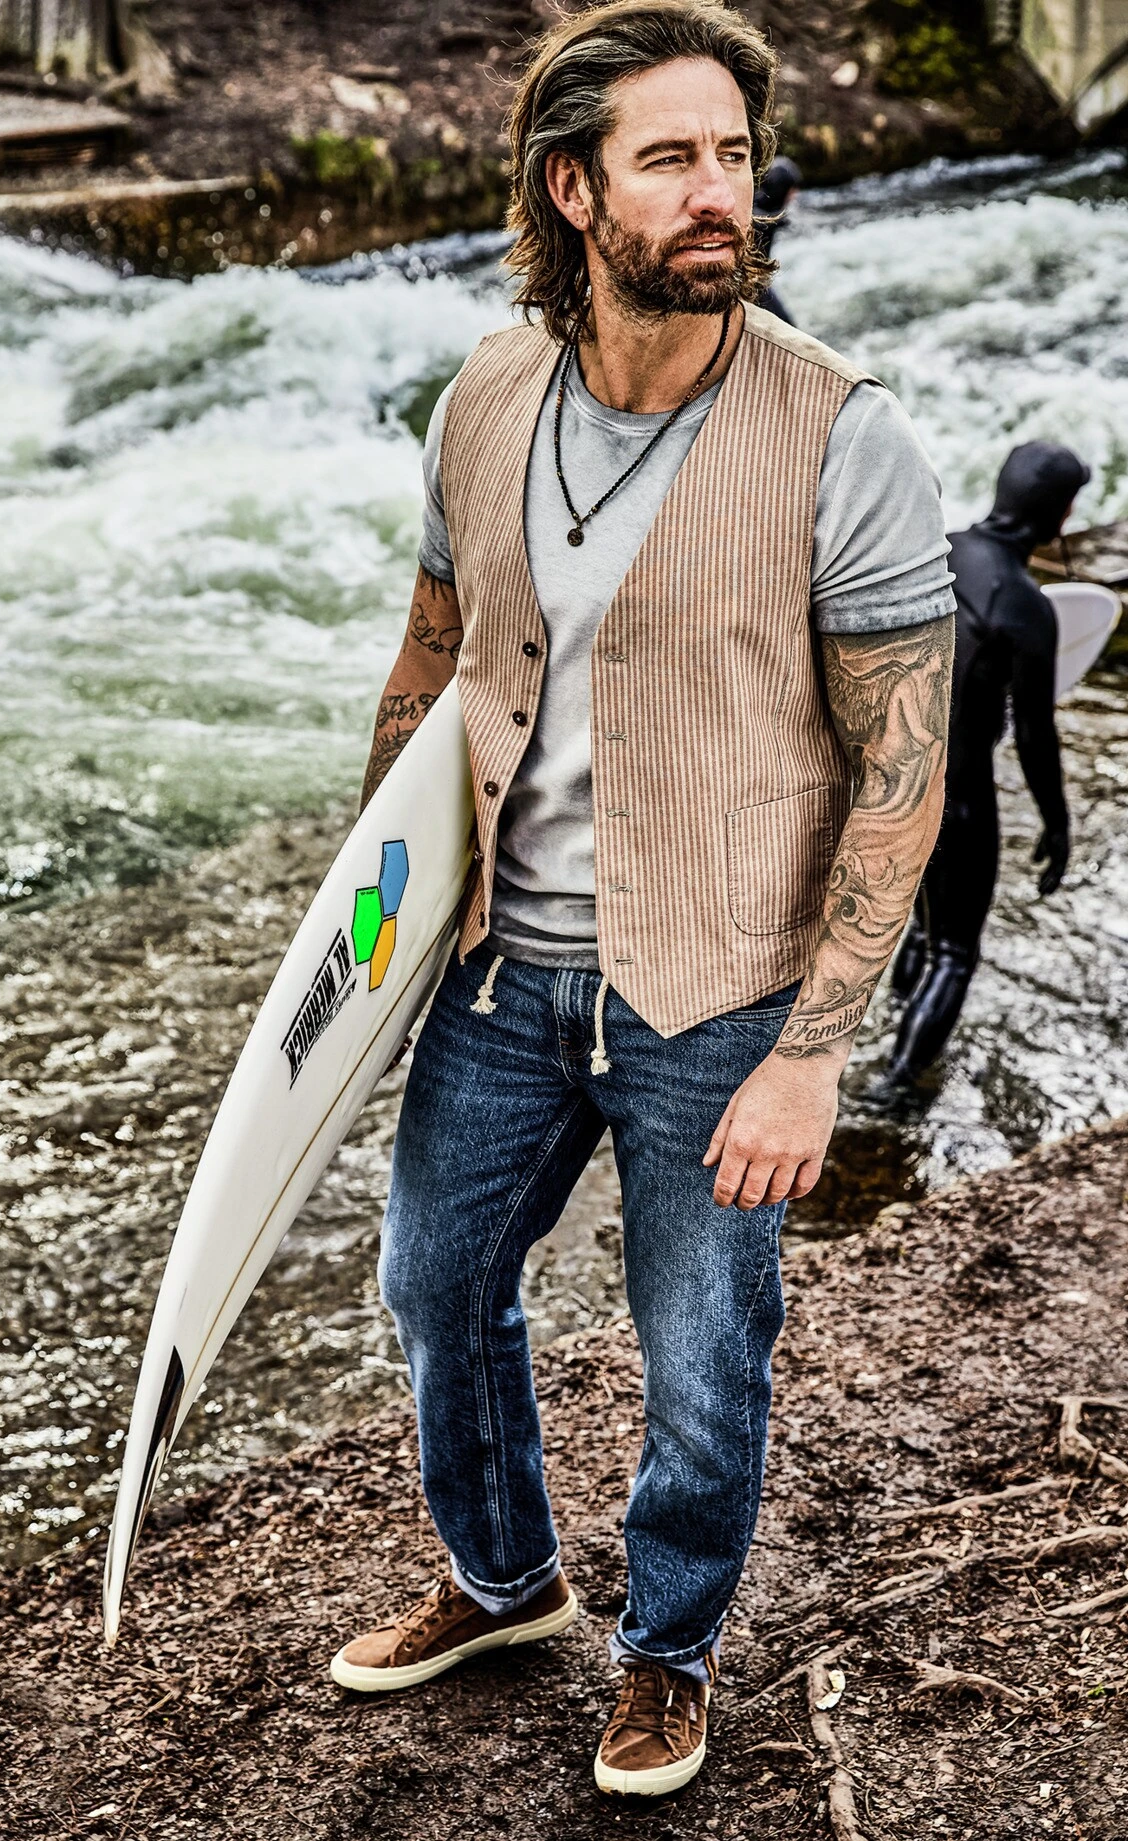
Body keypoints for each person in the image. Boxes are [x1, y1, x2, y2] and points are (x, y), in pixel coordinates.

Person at [331, 0, 955, 1797]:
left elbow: (902, 769)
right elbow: (434, 658)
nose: (716, 192)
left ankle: (666, 1650)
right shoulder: (484, 397)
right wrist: (371, 931)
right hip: (498, 966)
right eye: (669, 157)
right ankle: (504, 1581)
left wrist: (812, 1058)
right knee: (435, 1288)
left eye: (734, 155)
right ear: (573, 189)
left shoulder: (843, 434)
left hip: (720, 994)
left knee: (701, 1362)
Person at [884, 440, 1091, 1087]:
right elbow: (1034, 736)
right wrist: (1057, 825)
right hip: (958, 796)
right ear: (1060, 514)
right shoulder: (1024, 607)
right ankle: (891, 1090)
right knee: (953, 952)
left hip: (892, 776)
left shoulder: (934, 549)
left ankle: (890, 1024)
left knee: (921, 926)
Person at [749, 151, 800, 323]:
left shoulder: (760, 205)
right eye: (792, 189)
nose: (795, 195)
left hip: (758, 282)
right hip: (753, 285)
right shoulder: (763, 217)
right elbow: (765, 220)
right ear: (782, 188)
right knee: (789, 327)